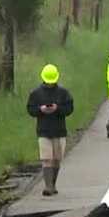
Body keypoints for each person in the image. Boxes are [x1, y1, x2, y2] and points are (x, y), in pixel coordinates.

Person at [26, 64, 75, 196]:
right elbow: (30, 109)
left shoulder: (63, 93)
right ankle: (48, 187)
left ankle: (53, 184)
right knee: (46, 159)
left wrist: (57, 108)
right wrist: (40, 110)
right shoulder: (35, 93)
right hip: (43, 131)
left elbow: (69, 109)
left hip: (59, 131)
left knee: (57, 159)